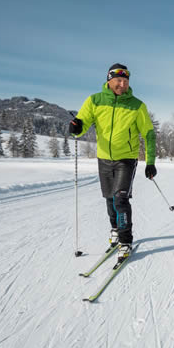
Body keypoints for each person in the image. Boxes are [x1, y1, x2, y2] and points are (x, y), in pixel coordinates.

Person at [69, 63, 156, 264]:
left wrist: (150, 162)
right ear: (109, 80)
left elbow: (149, 135)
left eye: (125, 81)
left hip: (126, 158)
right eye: (118, 80)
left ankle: (126, 241)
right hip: (104, 158)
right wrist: (76, 127)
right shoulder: (95, 101)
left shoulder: (137, 105)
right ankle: (116, 230)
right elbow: (81, 125)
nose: (122, 84)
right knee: (109, 198)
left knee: (120, 199)